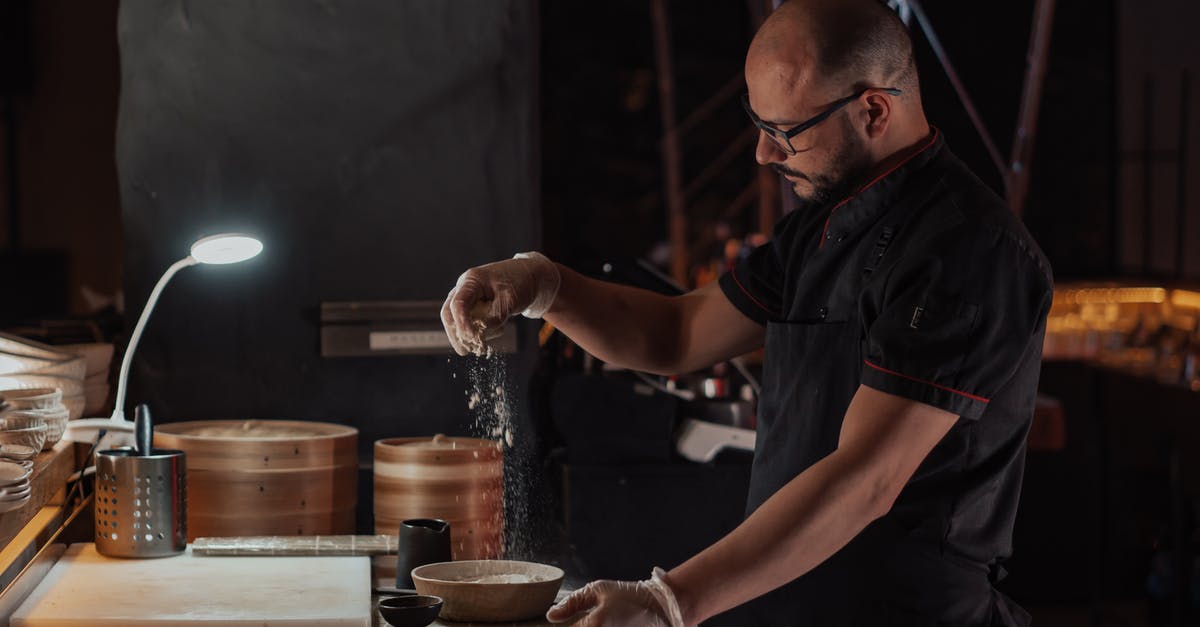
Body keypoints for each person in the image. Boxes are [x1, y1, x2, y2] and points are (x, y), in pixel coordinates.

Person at [441, 0, 1052, 624]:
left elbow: (866, 479)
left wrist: (670, 602)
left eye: (785, 131)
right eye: (757, 123)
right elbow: (674, 335)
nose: (763, 154)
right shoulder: (820, 228)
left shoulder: (969, 252)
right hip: (781, 605)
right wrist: (544, 285)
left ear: (873, 109)